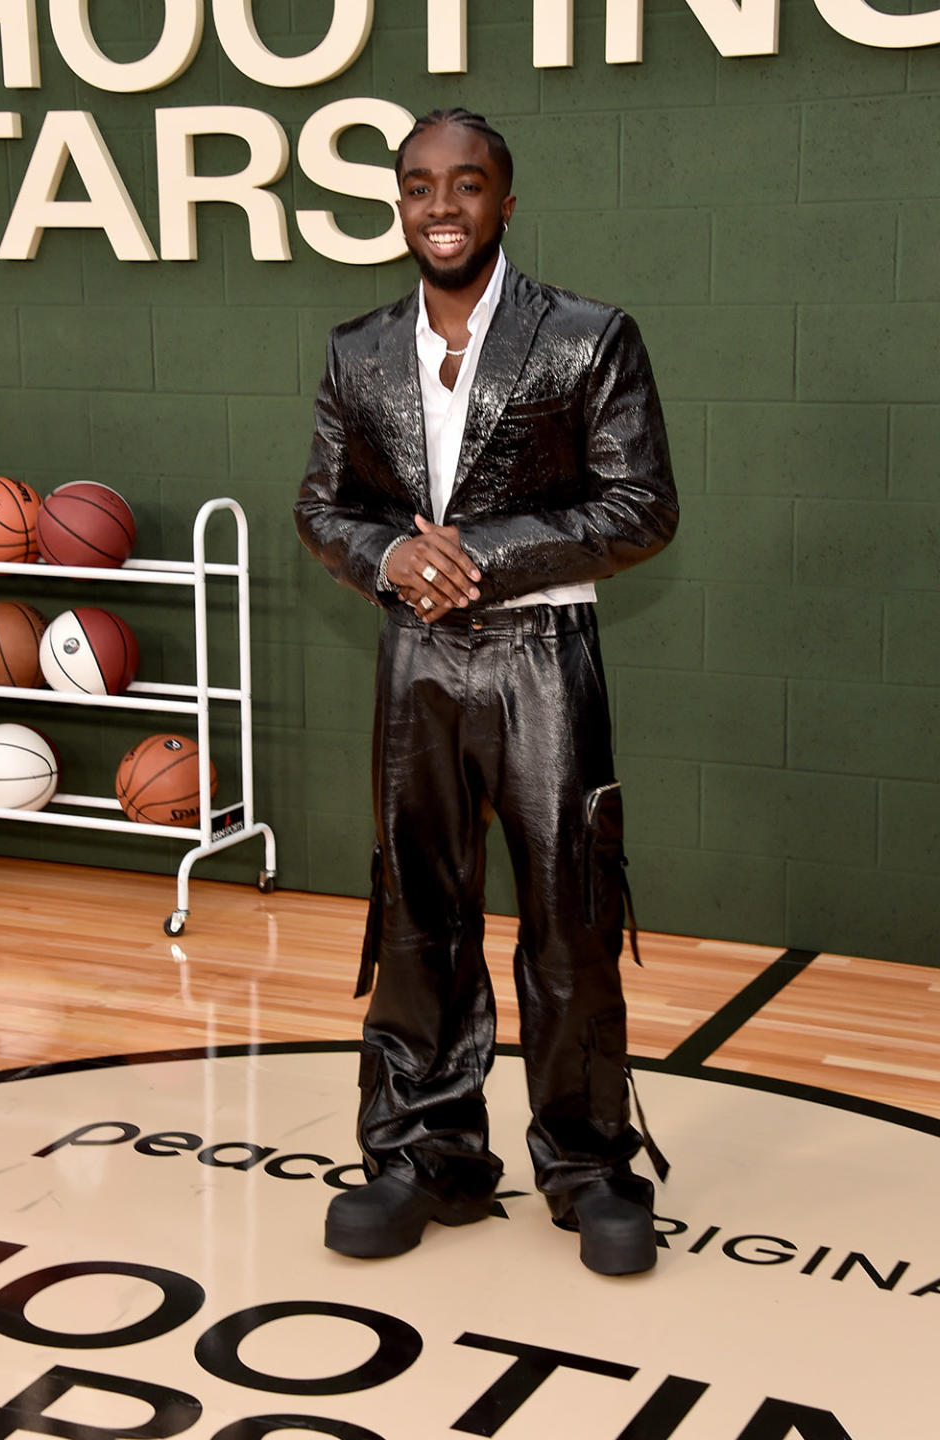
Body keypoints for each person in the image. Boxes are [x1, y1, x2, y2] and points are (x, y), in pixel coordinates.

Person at [294, 107, 678, 1275]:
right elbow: (322, 508)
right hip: (417, 663)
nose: (441, 206)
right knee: (418, 915)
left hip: (542, 659)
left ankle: (590, 1164)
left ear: (507, 203)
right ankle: (423, 1156)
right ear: (399, 204)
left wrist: (472, 552)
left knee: (570, 919)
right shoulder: (357, 348)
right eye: (419, 186)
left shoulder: (589, 335)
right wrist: (387, 559)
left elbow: (641, 507)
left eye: (467, 186)